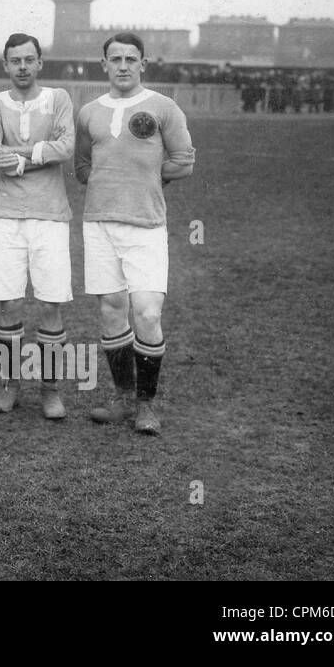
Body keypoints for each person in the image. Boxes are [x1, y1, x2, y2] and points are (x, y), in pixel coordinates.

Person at [75, 32, 195, 435]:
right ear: (103, 65)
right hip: (99, 223)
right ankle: (123, 397)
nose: (123, 65)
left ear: (144, 64)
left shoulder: (163, 107)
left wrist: (141, 179)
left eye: (131, 58)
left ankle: (147, 403)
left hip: (146, 225)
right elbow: (82, 166)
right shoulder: (89, 111)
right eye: (115, 58)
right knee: (111, 307)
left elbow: (184, 160)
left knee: (146, 311)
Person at [0, 33, 75, 419]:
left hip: (51, 215)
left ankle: (51, 390)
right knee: (9, 302)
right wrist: (40, 152)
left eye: (28, 59)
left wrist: (18, 156)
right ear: (5, 65)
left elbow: (66, 148)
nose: (22, 66)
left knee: (50, 304)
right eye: (14, 60)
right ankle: (10, 384)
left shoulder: (59, 98)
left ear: (39, 63)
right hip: (7, 216)